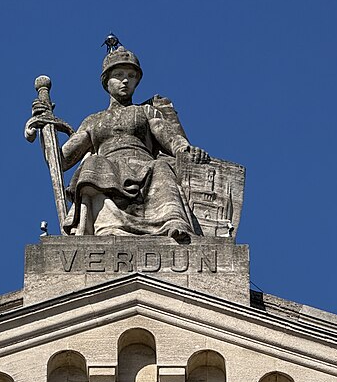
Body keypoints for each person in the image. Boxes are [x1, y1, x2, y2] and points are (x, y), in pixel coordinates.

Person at [30, 44, 208, 241]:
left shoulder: (146, 112)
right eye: (119, 75)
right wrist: (44, 129)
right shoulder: (94, 120)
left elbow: (169, 138)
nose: (126, 81)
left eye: (132, 76)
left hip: (144, 164)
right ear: (107, 82)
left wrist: (185, 149)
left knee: (160, 167)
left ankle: (171, 223)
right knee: (93, 165)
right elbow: (60, 160)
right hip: (107, 167)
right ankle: (108, 226)